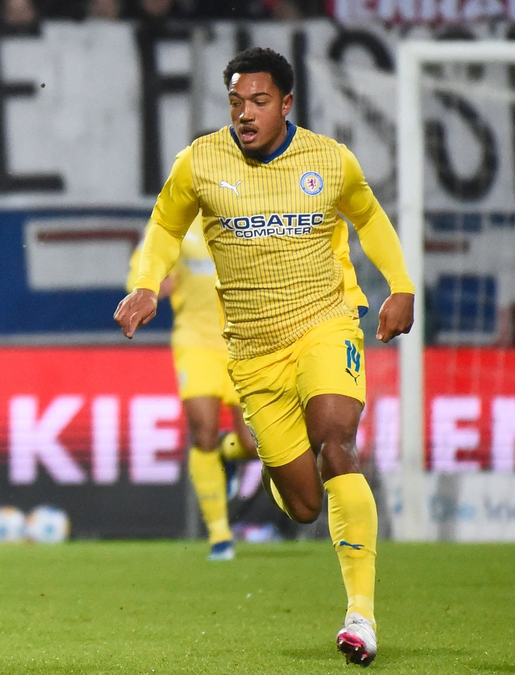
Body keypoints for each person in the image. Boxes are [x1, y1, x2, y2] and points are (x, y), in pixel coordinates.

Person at [114, 47, 414, 667]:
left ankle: (361, 615)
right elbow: (165, 227)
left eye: (258, 101)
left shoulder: (330, 162)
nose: (245, 114)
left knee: (337, 443)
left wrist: (401, 285)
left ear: (286, 103)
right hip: (252, 352)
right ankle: (277, 470)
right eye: (235, 102)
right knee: (305, 504)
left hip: (327, 325)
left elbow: (370, 217)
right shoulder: (201, 161)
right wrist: (146, 284)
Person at [126, 218, 258, 561]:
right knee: (203, 433)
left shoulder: (244, 212)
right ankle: (220, 536)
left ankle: (228, 456)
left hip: (244, 343)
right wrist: (153, 286)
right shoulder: (176, 220)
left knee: (254, 444)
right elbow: (143, 266)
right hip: (195, 343)